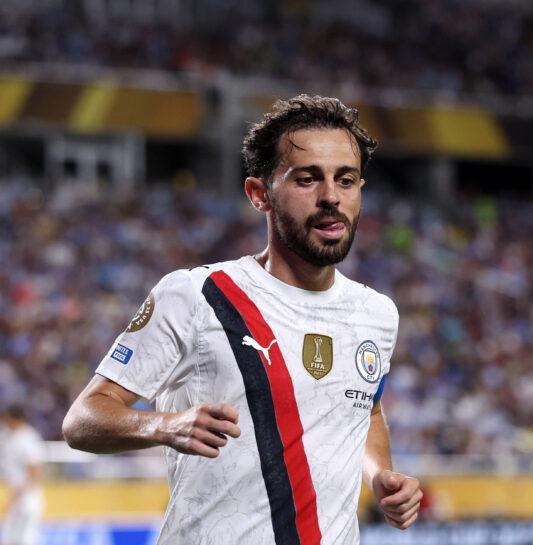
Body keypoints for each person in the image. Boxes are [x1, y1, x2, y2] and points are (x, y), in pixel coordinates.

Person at [62, 95, 422, 544]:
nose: (331, 196)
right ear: (259, 194)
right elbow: (82, 420)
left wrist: (380, 475)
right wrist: (165, 425)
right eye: (307, 179)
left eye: (345, 180)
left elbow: (365, 410)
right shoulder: (196, 296)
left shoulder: (376, 314)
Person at [1, 405, 45, 545]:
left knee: (23, 539)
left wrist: (19, 494)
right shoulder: (13, 437)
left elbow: (34, 467)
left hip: (26, 496)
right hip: (18, 494)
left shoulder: (28, 438)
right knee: (12, 538)